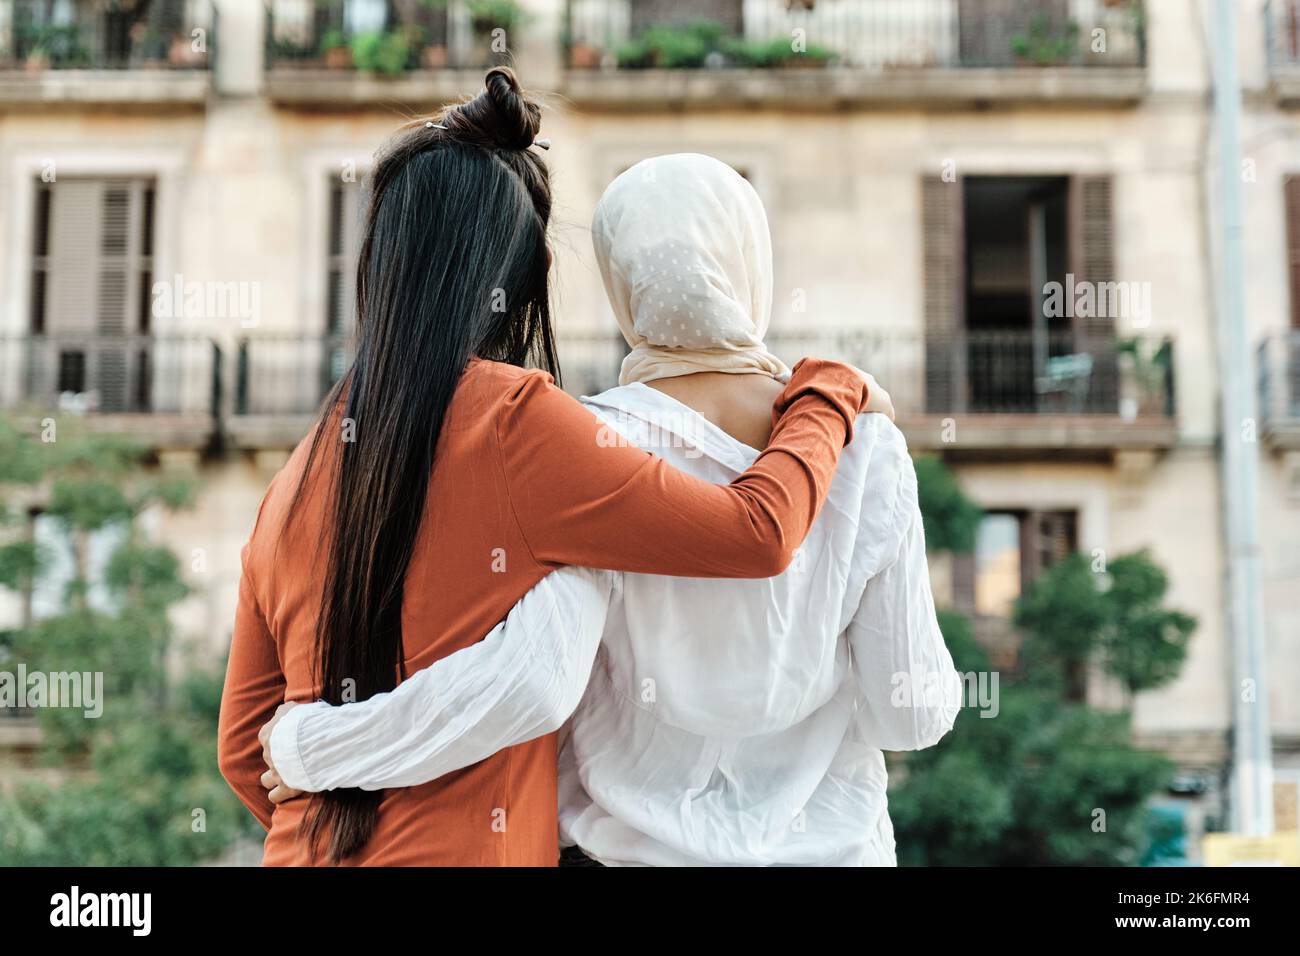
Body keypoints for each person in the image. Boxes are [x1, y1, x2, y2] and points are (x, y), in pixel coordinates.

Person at [216, 74, 887, 865]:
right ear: (514, 282)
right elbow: (758, 533)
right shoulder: (512, 423)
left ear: (381, 265)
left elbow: (241, 749)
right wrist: (827, 394)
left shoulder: (295, 475)